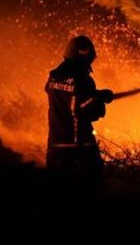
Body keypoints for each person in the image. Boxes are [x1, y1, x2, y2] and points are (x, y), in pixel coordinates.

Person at [45, 35, 113, 181]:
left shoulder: (53, 76)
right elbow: (88, 111)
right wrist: (98, 101)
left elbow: (69, 96)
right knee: (91, 190)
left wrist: (96, 94)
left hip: (55, 144)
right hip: (80, 147)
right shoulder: (83, 79)